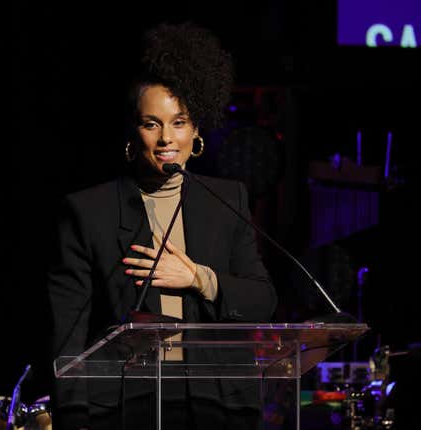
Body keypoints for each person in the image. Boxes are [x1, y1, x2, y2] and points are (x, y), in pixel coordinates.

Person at [47, 21, 277, 430]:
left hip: (216, 405)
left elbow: (262, 300)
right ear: (133, 136)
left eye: (179, 122)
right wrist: (73, 418)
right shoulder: (89, 211)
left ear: (196, 132)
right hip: (124, 407)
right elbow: (69, 336)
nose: (166, 138)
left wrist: (198, 278)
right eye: (151, 123)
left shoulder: (228, 200)